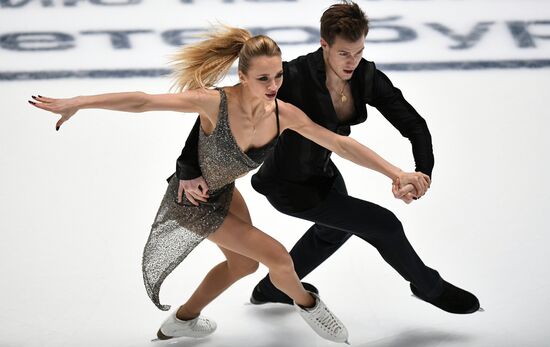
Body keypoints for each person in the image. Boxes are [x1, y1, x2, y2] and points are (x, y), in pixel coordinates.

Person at [28, 26, 430, 343]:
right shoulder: (214, 102)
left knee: (244, 263)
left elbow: (341, 144)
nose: (272, 86)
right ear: (242, 75)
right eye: (262, 78)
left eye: (277, 76)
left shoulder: (283, 113)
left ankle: (181, 322)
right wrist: (79, 100)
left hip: (223, 192)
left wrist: (396, 172)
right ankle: (309, 304)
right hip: (191, 200)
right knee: (278, 258)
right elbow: (143, 101)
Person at [175, 2, 481, 315]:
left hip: (324, 172)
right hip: (289, 185)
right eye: (344, 53)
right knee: (384, 225)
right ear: (325, 44)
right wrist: (188, 167)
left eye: (359, 51)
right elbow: (221, 111)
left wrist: (421, 173)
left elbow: (415, 126)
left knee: (334, 229)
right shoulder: (291, 76)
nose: (353, 62)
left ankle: (273, 288)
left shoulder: (366, 77)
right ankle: (429, 286)